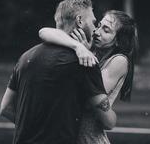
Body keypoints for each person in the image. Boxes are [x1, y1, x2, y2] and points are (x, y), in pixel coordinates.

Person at [0, 0, 117, 144]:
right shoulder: (85, 62)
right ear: (80, 21)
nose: (95, 29)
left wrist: (34, 129)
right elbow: (108, 122)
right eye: (93, 22)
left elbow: (5, 108)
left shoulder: (25, 57)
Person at [39, 10, 138, 144]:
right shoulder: (89, 50)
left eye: (106, 30)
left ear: (118, 42)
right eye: (99, 26)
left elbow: (91, 93)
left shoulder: (119, 60)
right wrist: (77, 46)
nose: (97, 32)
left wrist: (84, 51)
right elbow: (43, 32)